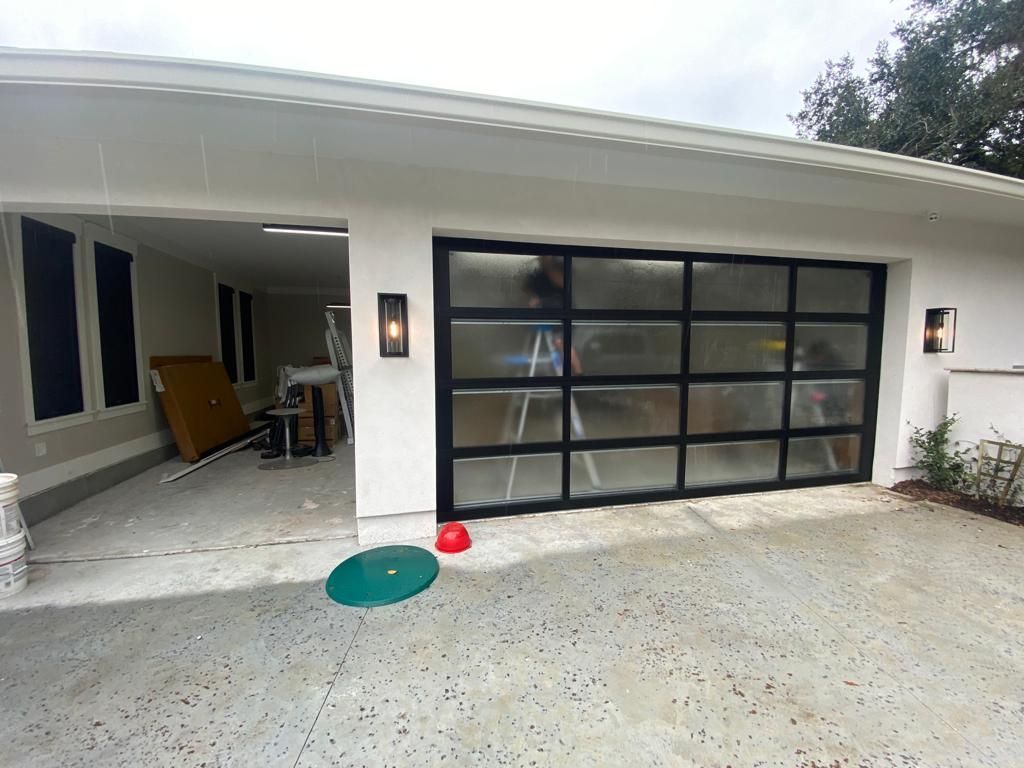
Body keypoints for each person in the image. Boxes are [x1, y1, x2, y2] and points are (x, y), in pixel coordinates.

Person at [524, 255, 582, 373]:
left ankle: (578, 374)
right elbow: (527, 289)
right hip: (546, 316)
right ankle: (560, 376)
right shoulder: (538, 275)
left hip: (562, 314)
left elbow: (562, 281)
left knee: (561, 343)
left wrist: (550, 269)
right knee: (555, 345)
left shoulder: (559, 267)